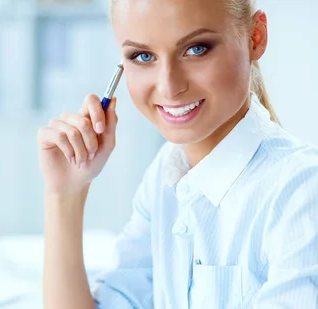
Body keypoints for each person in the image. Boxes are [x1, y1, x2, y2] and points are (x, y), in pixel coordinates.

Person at [36, 0, 318, 308]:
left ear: (255, 37)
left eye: (196, 49)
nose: (169, 87)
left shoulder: (302, 192)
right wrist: (65, 195)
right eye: (143, 56)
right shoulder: (166, 174)